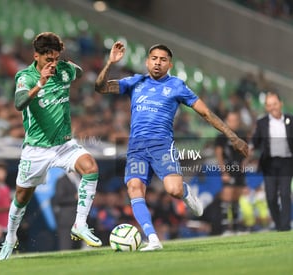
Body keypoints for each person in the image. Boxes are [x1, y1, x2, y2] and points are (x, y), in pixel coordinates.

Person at [95, 42, 249, 251]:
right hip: (136, 148)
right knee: (134, 188)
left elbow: (205, 113)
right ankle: (153, 239)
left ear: (170, 64)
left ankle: (184, 191)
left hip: (161, 146)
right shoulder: (135, 82)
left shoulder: (177, 86)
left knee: (173, 190)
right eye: (154, 59)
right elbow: (101, 87)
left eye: (163, 60)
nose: (158, 63)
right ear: (147, 61)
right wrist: (110, 62)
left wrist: (233, 137)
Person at [0, 32, 101, 260]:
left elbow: (80, 72)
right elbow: (19, 103)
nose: (52, 64)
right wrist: (41, 83)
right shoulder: (26, 77)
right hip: (37, 148)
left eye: (56, 58)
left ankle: (80, 225)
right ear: (36, 56)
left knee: (91, 167)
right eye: (48, 60)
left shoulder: (63, 69)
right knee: (22, 196)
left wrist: (67, 65)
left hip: (64, 144)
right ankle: (10, 239)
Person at [251, 91, 293, 231]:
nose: (273, 107)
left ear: (280, 104)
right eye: (269, 105)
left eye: (274, 104)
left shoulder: (290, 120)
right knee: (270, 197)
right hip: (269, 164)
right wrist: (250, 147)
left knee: (285, 193)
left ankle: (285, 226)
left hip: (287, 162)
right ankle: (279, 223)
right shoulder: (262, 122)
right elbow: (256, 140)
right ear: (266, 107)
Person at [214, 110, 248, 234]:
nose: (233, 123)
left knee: (236, 198)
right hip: (228, 170)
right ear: (226, 121)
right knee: (227, 197)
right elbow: (219, 154)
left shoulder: (242, 135)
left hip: (239, 170)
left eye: (235, 120)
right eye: (231, 120)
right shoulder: (221, 137)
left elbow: (247, 151)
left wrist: (245, 162)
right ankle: (225, 228)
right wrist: (223, 171)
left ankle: (235, 227)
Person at [51, 172, 82, 250]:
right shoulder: (62, 180)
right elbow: (59, 199)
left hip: (79, 220)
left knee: (78, 248)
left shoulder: (81, 178)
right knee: (66, 247)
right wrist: (74, 198)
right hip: (67, 220)